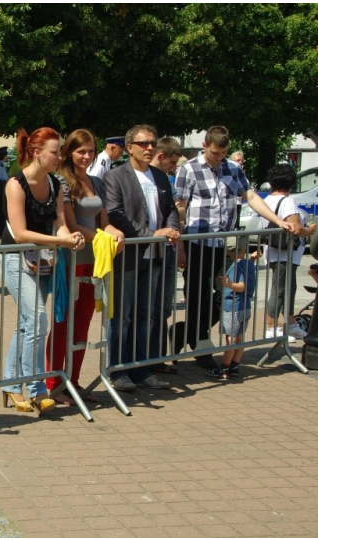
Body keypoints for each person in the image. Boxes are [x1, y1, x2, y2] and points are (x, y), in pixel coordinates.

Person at [172, 125, 302, 369]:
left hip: (223, 244)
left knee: (227, 294)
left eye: (223, 153)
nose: (219, 158)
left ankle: (185, 334)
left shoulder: (233, 169)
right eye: (214, 153)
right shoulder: (188, 169)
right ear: (204, 146)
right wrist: (180, 245)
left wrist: (277, 221)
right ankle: (201, 347)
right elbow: (180, 206)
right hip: (197, 243)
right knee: (197, 297)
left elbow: (251, 197)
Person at [0, 127, 83, 415]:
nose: (59, 156)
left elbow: (60, 221)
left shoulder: (56, 183)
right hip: (17, 259)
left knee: (28, 324)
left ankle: (11, 387)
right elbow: (21, 233)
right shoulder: (15, 184)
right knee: (37, 321)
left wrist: (69, 236)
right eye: (55, 151)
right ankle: (37, 389)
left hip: (46, 260)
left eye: (59, 150)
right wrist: (61, 240)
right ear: (37, 152)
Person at [45, 129, 123, 405]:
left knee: (83, 323)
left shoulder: (96, 182)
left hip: (95, 262)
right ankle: (54, 382)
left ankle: (74, 380)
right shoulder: (62, 182)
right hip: (72, 258)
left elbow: (105, 221)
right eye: (81, 151)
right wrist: (102, 237)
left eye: (91, 151)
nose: (87, 156)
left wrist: (113, 233)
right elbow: (72, 225)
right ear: (69, 152)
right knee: (63, 321)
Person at [103, 125, 181, 392]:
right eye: (144, 143)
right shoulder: (115, 176)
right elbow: (114, 213)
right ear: (130, 148)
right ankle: (118, 369)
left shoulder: (160, 177)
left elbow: (170, 209)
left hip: (157, 254)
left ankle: (141, 368)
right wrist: (150, 234)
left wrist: (171, 230)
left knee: (146, 315)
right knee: (122, 317)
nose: (150, 148)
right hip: (130, 254)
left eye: (153, 143)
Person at [261, 163, 317, 342]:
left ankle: (290, 323)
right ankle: (271, 327)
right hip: (285, 252)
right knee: (280, 289)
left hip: (274, 250)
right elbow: (295, 228)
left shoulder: (267, 199)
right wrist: (309, 230)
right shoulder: (288, 201)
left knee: (287, 288)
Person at [147, 136, 183, 374]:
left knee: (164, 306)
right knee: (146, 308)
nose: (173, 168)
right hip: (147, 250)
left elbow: (172, 210)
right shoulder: (144, 176)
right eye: (171, 162)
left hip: (167, 249)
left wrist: (174, 232)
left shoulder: (164, 180)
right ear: (161, 157)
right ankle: (143, 359)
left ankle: (157, 356)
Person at [208, 238, 258, 380]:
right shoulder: (247, 263)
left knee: (231, 338)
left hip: (233, 306)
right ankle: (234, 366)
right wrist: (253, 257)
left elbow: (241, 286)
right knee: (240, 337)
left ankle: (224, 367)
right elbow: (249, 264)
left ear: (229, 250)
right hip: (245, 306)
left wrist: (229, 284)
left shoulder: (236, 266)